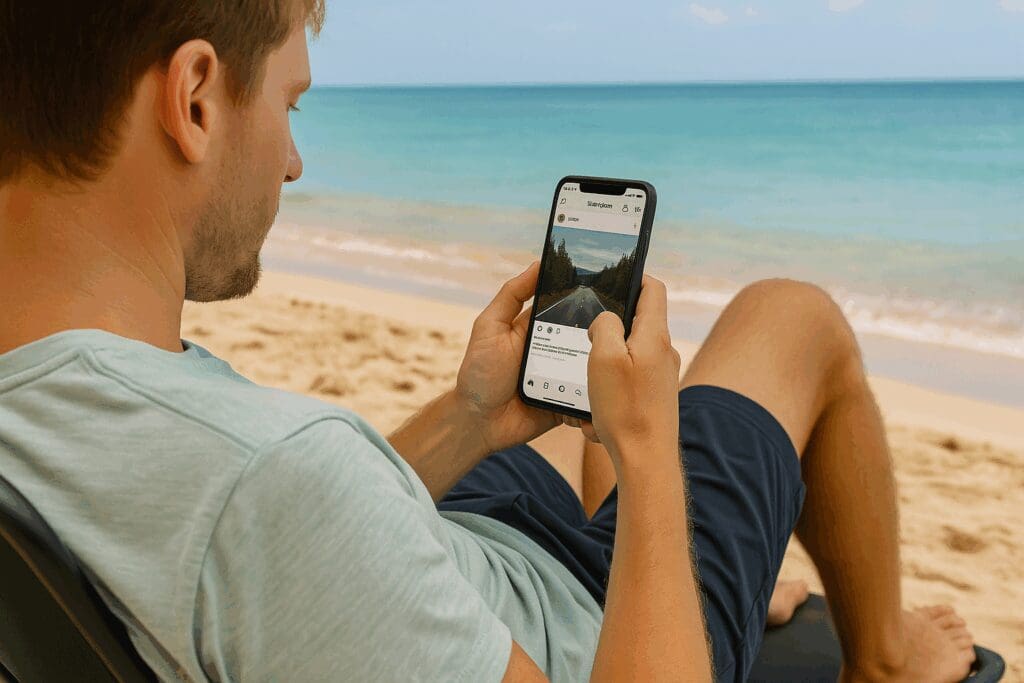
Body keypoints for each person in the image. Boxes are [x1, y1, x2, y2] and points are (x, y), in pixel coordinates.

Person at [0, 2, 977, 682]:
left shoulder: (66, 393)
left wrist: (470, 418)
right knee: (789, 314)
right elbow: (276, 509)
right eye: (290, 106)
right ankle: (885, 655)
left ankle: (692, 547)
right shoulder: (271, 478)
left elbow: (282, 548)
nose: (292, 163)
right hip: (586, 635)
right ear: (196, 98)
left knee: (560, 423)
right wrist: (652, 462)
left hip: (442, 563)